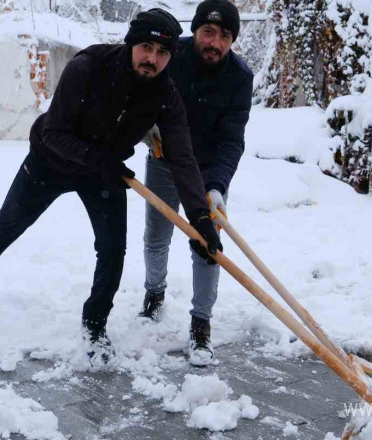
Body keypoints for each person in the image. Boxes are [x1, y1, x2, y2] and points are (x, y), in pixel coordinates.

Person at [0, 8, 222, 365]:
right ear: (131, 43)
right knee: (7, 226)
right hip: (51, 160)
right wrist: (101, 160)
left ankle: (95, 325)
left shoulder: (165, 93)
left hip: (103, 172)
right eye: (146, 47)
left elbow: (182, 158)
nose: (153, 59)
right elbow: (54, 132)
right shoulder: (88, 67)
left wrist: (200, 221)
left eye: (163, 53)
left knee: (113, 250)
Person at [139, 0, 253, 366]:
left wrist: (218, 187)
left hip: (206, 172)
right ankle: (154, 294)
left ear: (232, 40)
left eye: (224, 36)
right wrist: (145, 128)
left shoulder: (239, 77)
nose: (215, 42)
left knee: (207, 246)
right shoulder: (174, 56)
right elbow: (140, 93)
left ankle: (201, 324)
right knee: (157, 235)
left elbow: (232, 140)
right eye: (209, 32)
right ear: (196, 30)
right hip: (164, 160)